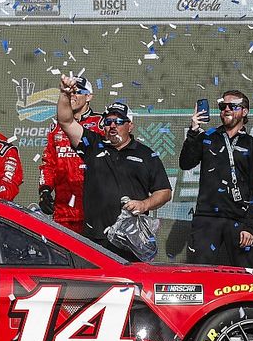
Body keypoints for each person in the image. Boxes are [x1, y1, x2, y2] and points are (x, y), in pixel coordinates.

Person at [56, 76, 171, 260]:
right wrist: (64, 93)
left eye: (118, 122)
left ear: (130, 125)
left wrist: (144, 204)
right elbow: (66, 122)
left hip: (130, 238)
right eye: (108, 121)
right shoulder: (93, 144)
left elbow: (164, 192)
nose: (112, 126)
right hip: (95, 238)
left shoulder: (146, 155)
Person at [179, 90, 253, 267]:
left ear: (245, 111)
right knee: (200, 273)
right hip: (207, 218)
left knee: (243, 275)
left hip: (239, 219)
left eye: (232, 106)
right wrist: (193, 131)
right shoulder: (207, 137)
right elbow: (185, 163)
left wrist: (249, 226)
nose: (226, 109)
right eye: (222, 106)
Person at [39, 76, 102, 233]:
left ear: (89, 96)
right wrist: (45, 190)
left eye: (77, 92)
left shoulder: (101, 124)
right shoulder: (56, 128)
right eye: (71, 92)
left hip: (95, 211)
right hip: (64, 211)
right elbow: (48, 164)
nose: (73, 95)